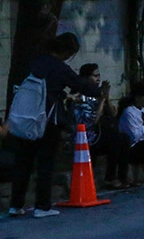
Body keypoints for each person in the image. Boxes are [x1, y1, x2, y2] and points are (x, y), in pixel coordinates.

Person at [7, 32, 100, 218]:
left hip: (26, 117)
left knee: (23, 162)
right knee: (45, 162)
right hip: (48, 120)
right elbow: (81, 85)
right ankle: (42, 206)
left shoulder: (34, 62)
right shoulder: (58, 67)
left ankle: (15, 205)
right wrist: (97, 89)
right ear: (66, 52)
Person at [76, 64, 126, 191]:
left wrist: (106, 98)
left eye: (99, 75)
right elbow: (92, 120)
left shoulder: (97, 94)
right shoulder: (80, 96)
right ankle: (110, 177)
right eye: (95, 76)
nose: (98, 79)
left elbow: (113, 114)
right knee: (114, 139)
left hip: (99, 134)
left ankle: (121, 177)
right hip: (87, 137)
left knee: (123, 138)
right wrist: (102, 100)